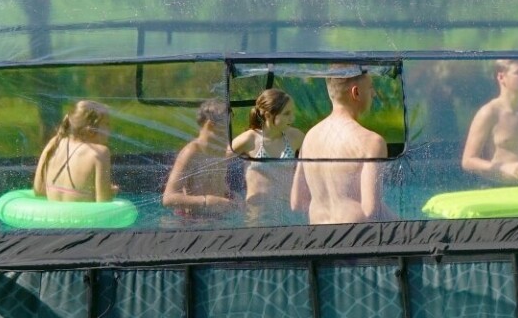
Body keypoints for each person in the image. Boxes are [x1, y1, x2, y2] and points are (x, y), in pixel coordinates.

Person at [291, 67, 387, 224]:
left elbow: (297, 202)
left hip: (318, 234)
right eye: (370, 88)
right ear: (356, 92)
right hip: (355, 235)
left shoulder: (309, 137)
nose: (373, 94)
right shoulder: (371, 142)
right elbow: (371, 211)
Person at [230, 86, 297, 220]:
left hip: (286, 213)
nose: (292, 118)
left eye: (292, 113)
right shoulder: (250, 139)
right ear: (268, 115)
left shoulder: (295, 137)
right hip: (257, 213)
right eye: (287, 114)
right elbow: (217, 158)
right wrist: (229, 192)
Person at [163, 99, 237, 218]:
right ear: (210, 125)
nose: (230, 131)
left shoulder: (218, 151)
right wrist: (206, 201)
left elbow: (217, 183)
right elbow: (168, 198)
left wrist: (232, 197)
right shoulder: (191, 152)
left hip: (218, 218)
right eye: (226, 126)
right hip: (192, 221)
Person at [32, 100, 114, 202]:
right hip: (83, 213)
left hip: (52, 212)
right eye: (107, 124)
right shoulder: (100, 153)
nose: (110, 130)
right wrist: (109, 193)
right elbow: (103, 203)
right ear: (90, 129)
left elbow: (39, 191)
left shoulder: (54, 143)